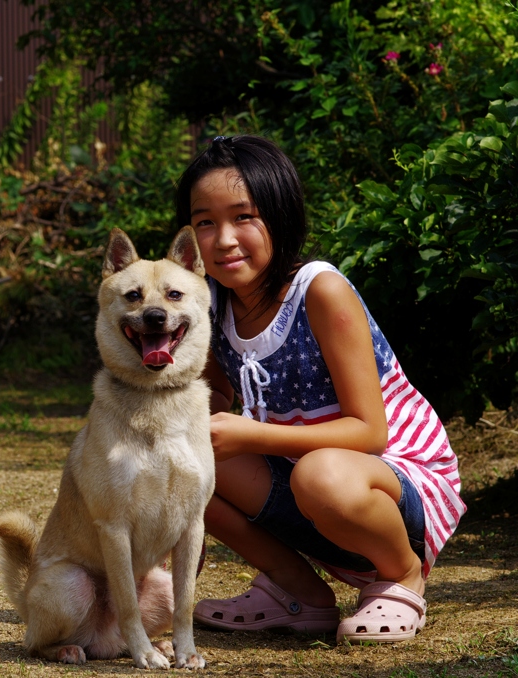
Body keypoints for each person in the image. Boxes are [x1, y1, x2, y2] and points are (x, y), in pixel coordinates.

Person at [178, 135, 464, 643]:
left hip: (392, 481)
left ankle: (401, 575)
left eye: (244, 217)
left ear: (281, 214)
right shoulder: (210, 303)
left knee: (322, 473)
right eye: (205, 221)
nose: (223, 239)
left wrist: (250, 435)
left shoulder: (319, 290)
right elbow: (214, 398)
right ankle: (297, 594)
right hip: (304, 478)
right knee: (178, 453)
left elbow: (369, 431)